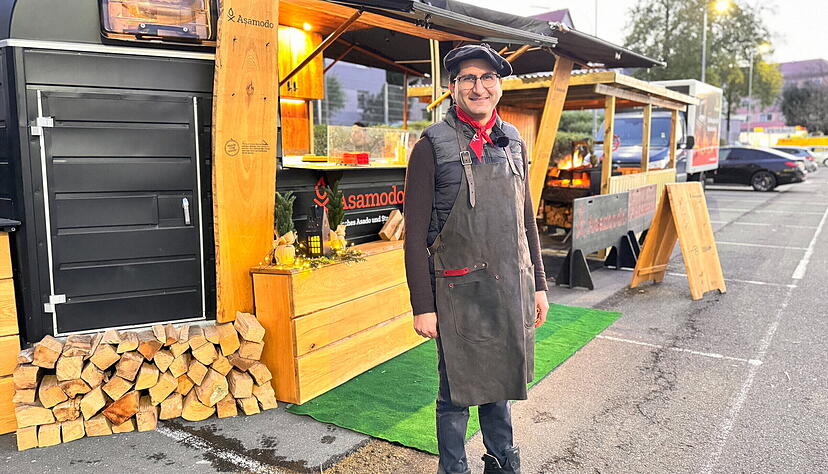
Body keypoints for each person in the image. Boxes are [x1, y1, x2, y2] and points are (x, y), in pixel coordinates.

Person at [403, 44, 550, 474]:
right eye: (468, 78)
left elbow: (526, 219)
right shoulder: (431, 146)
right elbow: (414, 237)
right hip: (458, 294)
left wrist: (539, 284)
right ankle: (453, 469)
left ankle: (502, 463)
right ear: (453, 87)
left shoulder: (514, 141)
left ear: (499, 86)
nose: (478, 87)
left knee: (500, 385)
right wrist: (423, 305)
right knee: (455, 394)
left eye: (487, 78)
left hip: (509, 287)